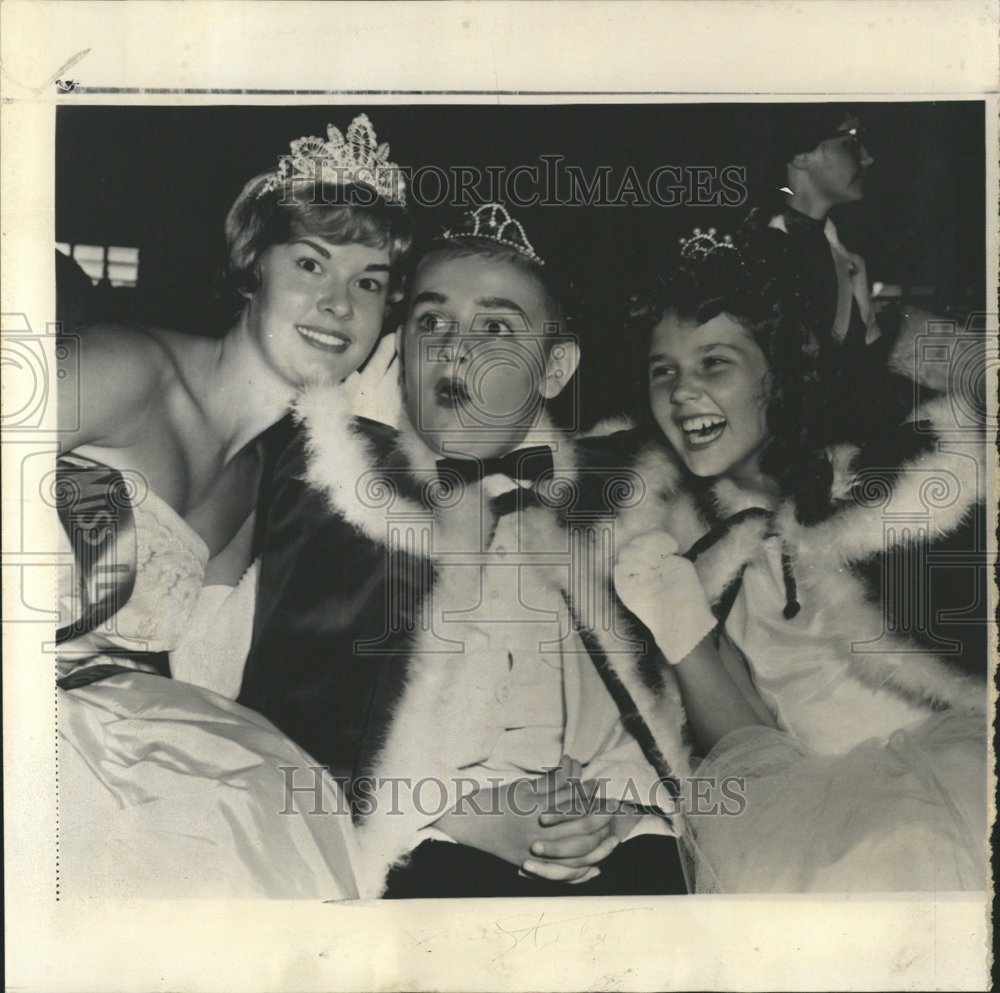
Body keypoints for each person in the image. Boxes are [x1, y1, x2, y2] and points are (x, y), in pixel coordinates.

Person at [242, 203, 771, 899]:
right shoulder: (345, 491)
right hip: (429, 845)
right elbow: (292, 720)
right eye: (431, 322)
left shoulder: (625, 491)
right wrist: (460, 811)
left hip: (632, 840)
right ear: (400, 353)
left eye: (495, 327)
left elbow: (686, 714)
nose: (455, 349)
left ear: (554, 368)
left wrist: (625, 806)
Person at [55, 113, 413, 898]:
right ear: (254, 265)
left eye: (369, 281)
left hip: (112, 733)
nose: (338, 304)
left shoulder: (256, 482)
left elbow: (207, 690)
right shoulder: (126, 366)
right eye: (311, 263)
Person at [614, 227, 988, 892]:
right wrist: (681, 624)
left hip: (954, 802)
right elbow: (749, 750)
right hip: (805, 835)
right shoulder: (692, 532)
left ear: (782, 367)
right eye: (662, 369)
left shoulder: (905, 483)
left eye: (714, 364)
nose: (681, 393)